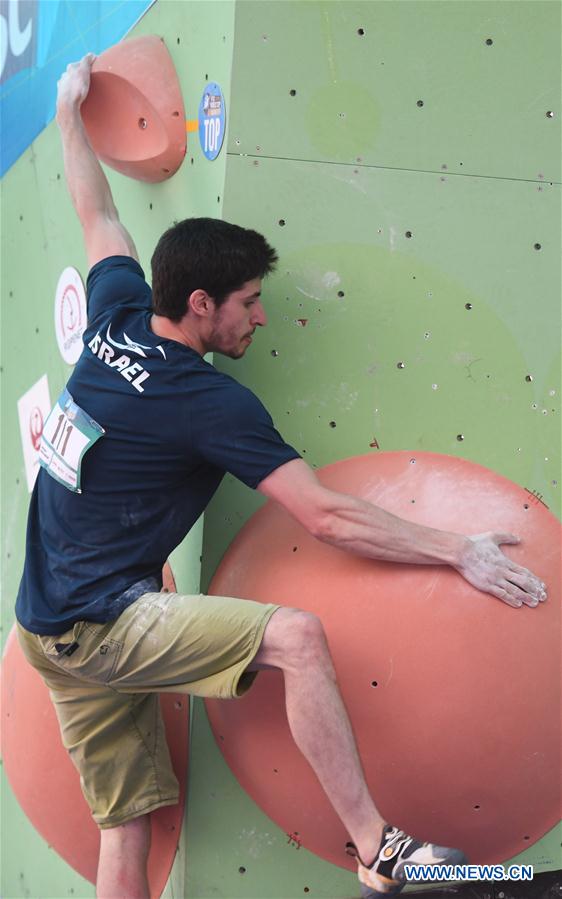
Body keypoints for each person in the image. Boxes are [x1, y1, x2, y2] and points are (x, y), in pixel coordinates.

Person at [15, 55, 547, 899]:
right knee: (295, 636)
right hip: (102, 624)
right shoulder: (204, 400)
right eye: (250, 300)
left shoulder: (117, 314)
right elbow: (328, 519)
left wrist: (68, 112)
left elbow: (99, 214)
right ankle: (380, 850)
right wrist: (458, 550)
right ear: (200, 303)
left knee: (126, 834)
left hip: (46, 630)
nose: (260, 315)